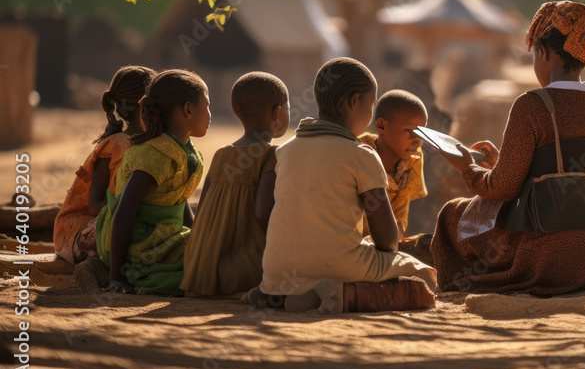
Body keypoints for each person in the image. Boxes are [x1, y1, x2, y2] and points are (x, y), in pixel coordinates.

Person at [430, 0, 585, 296]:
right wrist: (500, 163)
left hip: (541, 251)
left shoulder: (531, 105)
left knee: (451, 216)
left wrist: (468, 168)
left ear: (543, 53)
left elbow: (504, 188)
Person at [249, 58, 436, 314]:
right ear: (354, 102)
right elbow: (388, 242)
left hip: (277, 271)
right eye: (371, 106)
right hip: (338, 265)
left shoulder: (285, 151)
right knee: (423, 277)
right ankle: (341, 295)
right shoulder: (362, 154)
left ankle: (284, 295)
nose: (371, 115)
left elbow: (269, 213)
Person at [95, 69, 211, 296]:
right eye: (207, 106)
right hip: (137, 247)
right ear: (188, 109)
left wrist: (197, 238)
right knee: (201, 273)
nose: (210, 114)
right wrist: (117, 278)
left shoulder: (185, 151)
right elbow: (124, 212)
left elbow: (180, 199)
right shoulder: (153, 155)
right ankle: (120, 275)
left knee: (210, 253)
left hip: (164, 237)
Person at [181, 72, 290, 298]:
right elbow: (263, 214)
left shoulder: (221, 154)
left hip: (200, 269)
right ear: (277, 113)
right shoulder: (271, 155)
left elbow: (201, 211)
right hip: (241, 272)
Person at [57, 66, 155, 290]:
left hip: (126, 219)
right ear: (145, 103)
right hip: (89, 226)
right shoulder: (113, 146)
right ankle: (97, 268)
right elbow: (93, 206)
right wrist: (129, 213)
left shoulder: (154, 144)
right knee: (122, 234)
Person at [358, 90, 429, 238]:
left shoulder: (412, 160)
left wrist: (395, 244)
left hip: (384, 242)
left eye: (422, 134)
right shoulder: (359, 152)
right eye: (410, 132)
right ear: (382, 126)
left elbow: (400, 212)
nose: (417, 140)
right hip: (350, 240)